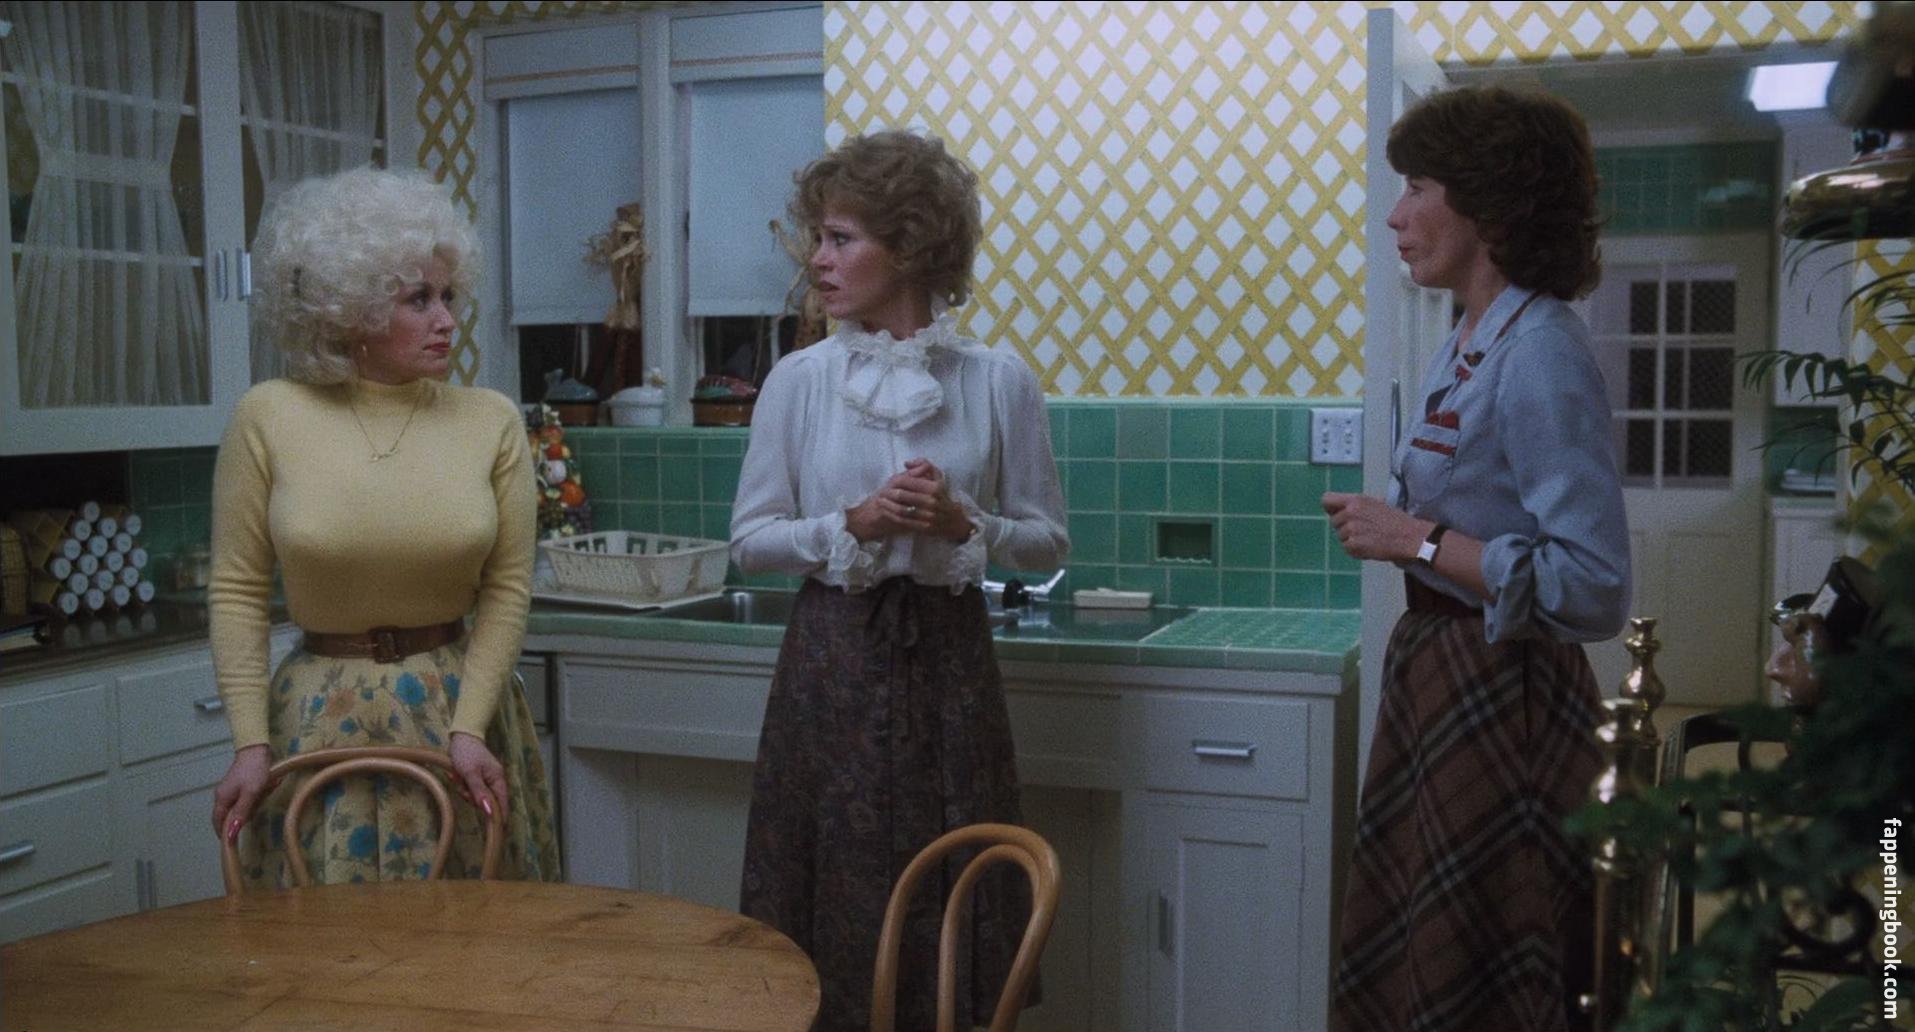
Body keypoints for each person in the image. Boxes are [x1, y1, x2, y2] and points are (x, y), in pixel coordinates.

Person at [730, 129, 1069, 1031]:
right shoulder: (800, 381)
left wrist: (965, 525)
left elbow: (1046, 543)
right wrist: (852, 525)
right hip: (831, 659)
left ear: (911, 246)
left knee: (953, 868)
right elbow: (751, 543)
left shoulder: (997, 381)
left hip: (949, 661)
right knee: (832, 875)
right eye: (818, 237)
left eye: (840, 238)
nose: (817, 259)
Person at [1322, 86, 1630, 1032]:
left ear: (1490, 208)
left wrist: (1412, 539)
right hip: (1439, 678)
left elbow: (1592, 586)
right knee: (1423, 955)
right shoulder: (1468, 336)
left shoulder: (1539, 349)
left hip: (1502, 696)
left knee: (1483, 971)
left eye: (1417, 186)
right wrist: (1409, 535)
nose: (1394, 214)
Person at [207, 166, 559, 886]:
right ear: (350, 312)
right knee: (319, 936)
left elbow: (507, 588)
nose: (447, 320)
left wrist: (470, 727)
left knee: (470, 932)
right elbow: (238, 589)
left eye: (449, 296)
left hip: (456, 715)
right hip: (313, 721)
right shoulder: (268, 415)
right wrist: (249, 743)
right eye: (418, 299)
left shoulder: (489, 420)